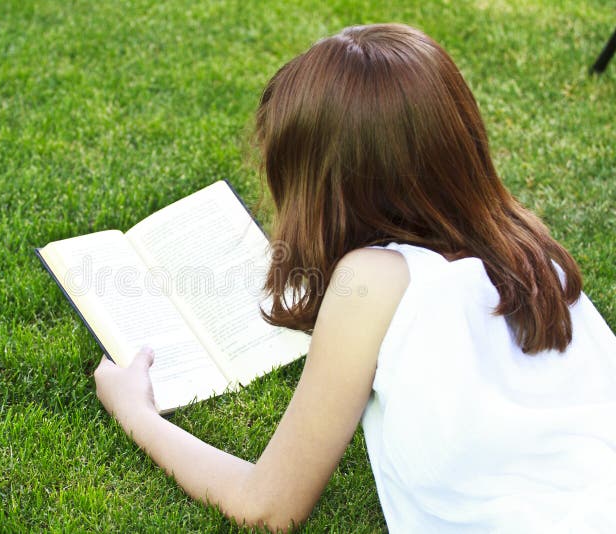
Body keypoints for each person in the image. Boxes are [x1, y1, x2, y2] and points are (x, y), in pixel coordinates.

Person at [94, 23, 616, 532]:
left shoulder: (373, 281)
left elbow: (268, 506)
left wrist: (137, 412)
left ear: (325, 187)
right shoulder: (533, 251)